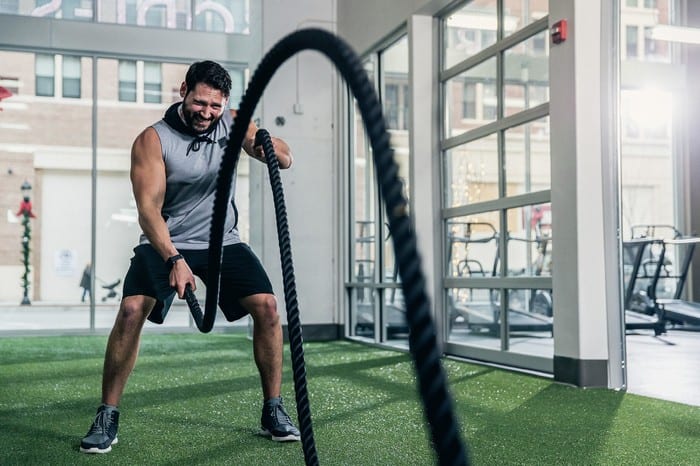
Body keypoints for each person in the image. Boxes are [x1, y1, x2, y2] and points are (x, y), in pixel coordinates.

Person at [80, 60, 299, 454]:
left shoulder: (231, 124)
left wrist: (269, 146)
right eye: (200, 102)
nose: (206, 113)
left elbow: (282, 156)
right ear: (183, 91)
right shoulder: (153, 139)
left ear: (224, 103)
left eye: (215, 106)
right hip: (164, 240)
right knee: (131, 310)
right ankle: (107, 414)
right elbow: (148, 210)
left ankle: (273, 409)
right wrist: (172, 258)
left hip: (223, 242)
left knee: (267, 306)